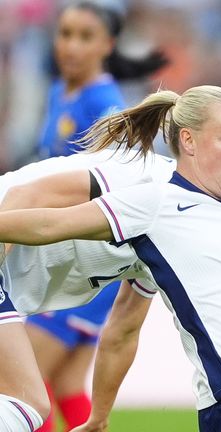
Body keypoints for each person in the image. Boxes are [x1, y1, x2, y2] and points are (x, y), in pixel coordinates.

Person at [0, 85, 221, 432]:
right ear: (189, 143)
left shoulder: (213, 218)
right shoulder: (146, 186)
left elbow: (124, 328)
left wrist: (100, 415)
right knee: (28, 401)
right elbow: (38, 210)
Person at [29, 2, 166, 429]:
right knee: (67, 384)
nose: (70, 46)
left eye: (84, 37)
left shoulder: (104, 104)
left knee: (22, 379)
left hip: (84, 258)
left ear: (107, 45)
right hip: (62, 253)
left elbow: (123, 177)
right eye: (65, 33)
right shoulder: (60, 91)